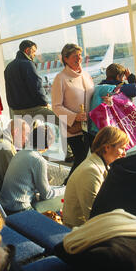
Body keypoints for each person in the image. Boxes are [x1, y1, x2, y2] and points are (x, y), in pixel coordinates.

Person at [62, 126, 129, 228]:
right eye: (122, 148)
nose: (124, 154)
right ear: (107, 147)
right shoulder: (91, 171)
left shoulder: (99, 165)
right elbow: (93, 215)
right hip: (79, 230)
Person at [90, 132, 136, 224]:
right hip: (130, 235)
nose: (124, 153)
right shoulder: (93, 170)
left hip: (97, 231)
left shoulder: (117, 170)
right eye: (122, 148)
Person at [0, 124, 65, 214]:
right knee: (61, 199)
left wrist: (59, 188)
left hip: (3, 205)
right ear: (48, 147)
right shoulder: (39, 161)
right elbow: (47, 194)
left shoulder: (19, 153)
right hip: (20, 209)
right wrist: (64, 189)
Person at [51, 43, 94, 180]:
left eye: (80, 55)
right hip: (74, 128)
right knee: (81, 159)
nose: (79, 58)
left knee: (91, 159)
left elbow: (93, 96)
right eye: (75, 56)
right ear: (66, 58)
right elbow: (56, 106)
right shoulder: (60, 78)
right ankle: (67, 186)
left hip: (91, 125)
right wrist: (75, 116)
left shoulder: (86, 75)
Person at [4, 40, 59, 126]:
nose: (34, 54)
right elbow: (36, 86)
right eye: (33, 51)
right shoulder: (27, 64)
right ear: (27, 50)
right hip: (31, 109)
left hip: (16, 110)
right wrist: (45, 103)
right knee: (62, 120)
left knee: (28, 135)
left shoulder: (9, 67)